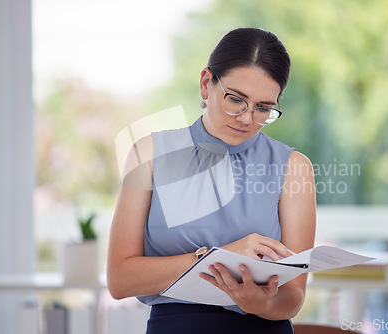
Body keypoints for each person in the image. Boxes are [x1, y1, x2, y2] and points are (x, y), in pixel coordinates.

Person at [107, 27, 316, 334]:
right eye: (236, 99)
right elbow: (120, 280)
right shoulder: (150, 155)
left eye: (263, 108)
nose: (247, 118)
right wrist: (216, 258)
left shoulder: (293, 167)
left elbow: (293, 296)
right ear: (206, 84)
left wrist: (260, 304)